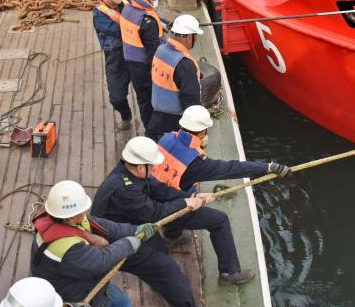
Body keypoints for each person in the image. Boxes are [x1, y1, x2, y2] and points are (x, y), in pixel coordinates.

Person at [93, 137, 257, 287]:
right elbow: (156, 214)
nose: (155, 167)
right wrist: (186, 202)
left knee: (218, 220)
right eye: (152, 165)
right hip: (124, 232)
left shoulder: (128, 169)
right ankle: (169, 284)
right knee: (163, 264)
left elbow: (158, 189)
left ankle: (226, 271)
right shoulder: (125, 189)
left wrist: (191, 196)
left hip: (140, 215)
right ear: (141, 167)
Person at [30, 180, 195, 307]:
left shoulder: (64, 219)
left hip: (80, 279)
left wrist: (135, 230)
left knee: (124, 303)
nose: (85, 213)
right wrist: (130, 243)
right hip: (72, 293)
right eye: (81, 211)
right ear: (70, 218)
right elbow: (103, 260)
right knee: (123, 304)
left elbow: (105, 227)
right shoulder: (67, 250)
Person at [152, 105, 291, 195]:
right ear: (202, 132)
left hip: (150, 187)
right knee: (218, 219)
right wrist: (268, 167)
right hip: (169, 199)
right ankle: (174, 228)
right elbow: (231, 168)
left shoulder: (166, 137)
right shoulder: (197, 163)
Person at [145, 14, 202, 141]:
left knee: (153, 139)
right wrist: (196, 128)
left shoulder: (160, 50)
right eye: (195, 36)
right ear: (189, 38)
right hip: (175, 118)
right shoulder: (186, 65)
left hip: (157, 110)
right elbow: (190, 99)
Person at [120, 0, 167, 128]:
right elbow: (153, 50)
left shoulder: (127, 9)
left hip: (131, 62)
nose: (156, 2)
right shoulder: (147, 21)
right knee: (152, 98)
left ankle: (148, 127)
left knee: (142, 99)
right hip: (145, 66)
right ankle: (154, 130)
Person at [93, 0, 132, 130]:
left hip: (135, 55)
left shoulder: (126, 4)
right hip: (116, 59)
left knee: (147, 91)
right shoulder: (100, 16)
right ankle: (126, 115)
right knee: (117, 98)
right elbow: (120, 30)